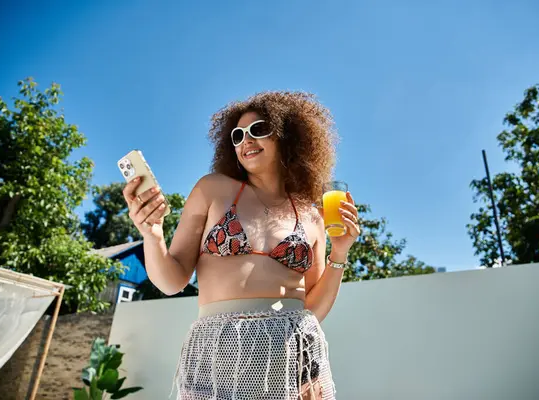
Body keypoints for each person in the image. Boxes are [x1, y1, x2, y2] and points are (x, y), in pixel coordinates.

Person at [122, 91, 360, 400]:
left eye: (258, 129)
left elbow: (311, 309)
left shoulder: (312, 215)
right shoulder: (212, 189)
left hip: (293, 355)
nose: (245, 140)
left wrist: (339, 253)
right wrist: (152, 234)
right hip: (221, 353)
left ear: (287, 137)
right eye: (237, 135)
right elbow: (171, 280)